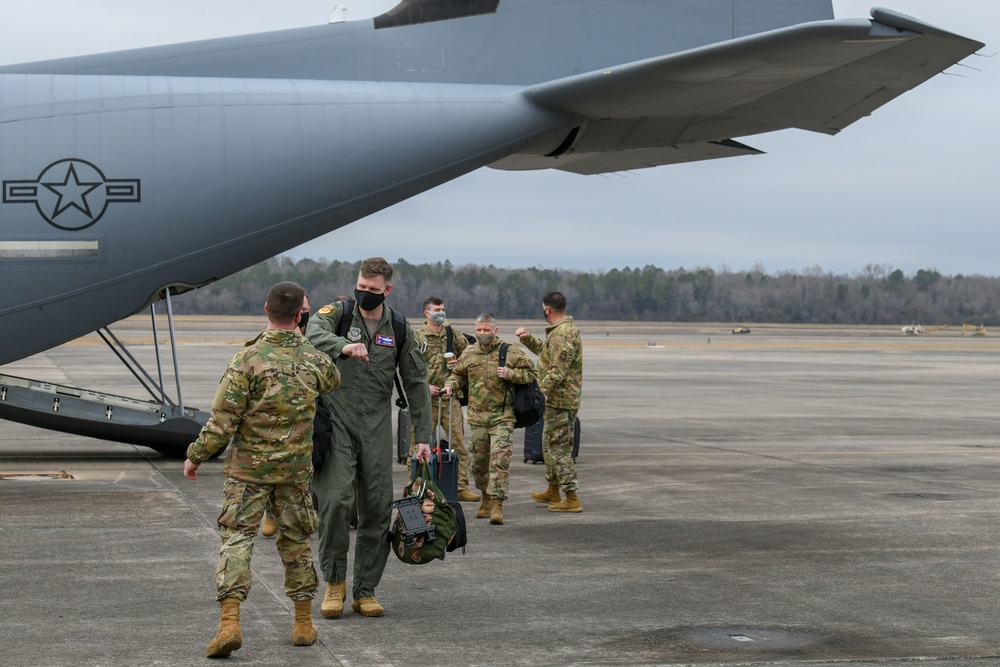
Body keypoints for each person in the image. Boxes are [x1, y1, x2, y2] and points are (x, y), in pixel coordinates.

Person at [183, 282, 340, 659]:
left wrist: (195, 456)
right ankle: (303, 623)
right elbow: (333, 381)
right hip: (295, 472)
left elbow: (222, 420)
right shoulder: (316, 360)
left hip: (248, 473)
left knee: (237, 540)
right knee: (296, 543)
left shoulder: (248, 358)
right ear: (300, 314)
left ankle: (230, 623)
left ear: (266, 309)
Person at [306, 257, 432, 618]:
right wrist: (342, 346)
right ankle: (334, 583)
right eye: (361, 286)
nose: (365, 293)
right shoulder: (340, 313)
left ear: (387, 290)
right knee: (334, 502)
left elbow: (416, 382)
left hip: (376, 427)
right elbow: (314, 330)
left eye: (373, 290)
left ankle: (365, 589)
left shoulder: (402, 328)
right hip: (337, 421)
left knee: (377, 508)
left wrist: (422, 434)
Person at [443, 313, 536, 525]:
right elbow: (457, 374)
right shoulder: (469, 353)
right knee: (479, 465)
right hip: (477, 419)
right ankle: (485, 496)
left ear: (495, 330)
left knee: (499, 463)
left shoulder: (509, 352)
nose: (482, 334)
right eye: (479, 330)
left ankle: (497, 506)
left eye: (486, 330)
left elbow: (531, 374)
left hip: (502, 418)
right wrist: (450, 386)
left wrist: (511, 374)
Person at [515, 292, 584, 512]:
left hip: (561, 402)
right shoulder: (559, 333)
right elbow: (547, 353)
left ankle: (572, 498)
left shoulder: (563, 334)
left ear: (547, 309)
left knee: (560, 449)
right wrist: (527, 339)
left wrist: (539, 393)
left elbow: (557, 372)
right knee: (549, 446)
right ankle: (553, 490)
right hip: (555, 402)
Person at [411, 296, 480, 502]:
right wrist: (424, 387)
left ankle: (460, 487)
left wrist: (457, 368)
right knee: (418, 446)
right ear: (427, 313)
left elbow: (469, 353)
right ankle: (416, 486)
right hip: (426, 400)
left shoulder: (451, 334)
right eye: (437, 309)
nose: (441, 312)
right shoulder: (417, 337)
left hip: (449, 399)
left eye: (443, 308)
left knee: (458, 443)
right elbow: (409, 368)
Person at [261, 293, 313, 539]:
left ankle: (301, 515)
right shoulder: (268, 342)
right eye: (299, 307)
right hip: (274, 422)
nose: (302, 312)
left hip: (307, 421)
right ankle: (272, 511)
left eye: (305, 307)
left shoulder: (315, 338)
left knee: (307, 469)